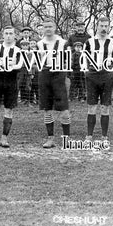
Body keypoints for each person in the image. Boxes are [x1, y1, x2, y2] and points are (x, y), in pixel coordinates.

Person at [82, 17, 113, 142]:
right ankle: (89, 135)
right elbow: (83, 58)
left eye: (106, 26)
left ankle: (104, 136)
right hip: (92, 76)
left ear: (109, 27)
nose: (104, 28)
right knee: (91, 107)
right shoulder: (89, 42)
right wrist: (86, 71)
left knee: (105, 107)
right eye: (101, 26)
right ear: (97, 27)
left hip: (107, 76)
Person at [36, 19, 71, 148]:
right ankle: (50, 138)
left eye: (50, 26)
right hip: (45, 75)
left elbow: (69, 60)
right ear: (42, 29)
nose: (48, 29)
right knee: (47, 108)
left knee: (63, 108)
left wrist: (64, 73)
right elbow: (37, 61)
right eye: (45, 27)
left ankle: (66, 139)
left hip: (59, 75)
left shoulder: (63, 43)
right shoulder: (39, 44)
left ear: (55, 27)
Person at [18, 40, 32, 106]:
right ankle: (17, 100)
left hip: (27, 70)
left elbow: (31, 64)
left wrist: (31, 73)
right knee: (18, 84)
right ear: (21, 46)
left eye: (26, 45)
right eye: (23, 45)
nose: (25, 47)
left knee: (28, 85)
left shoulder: (30, 53)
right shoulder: (18, 53)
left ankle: (28, 101)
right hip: (20, 70)